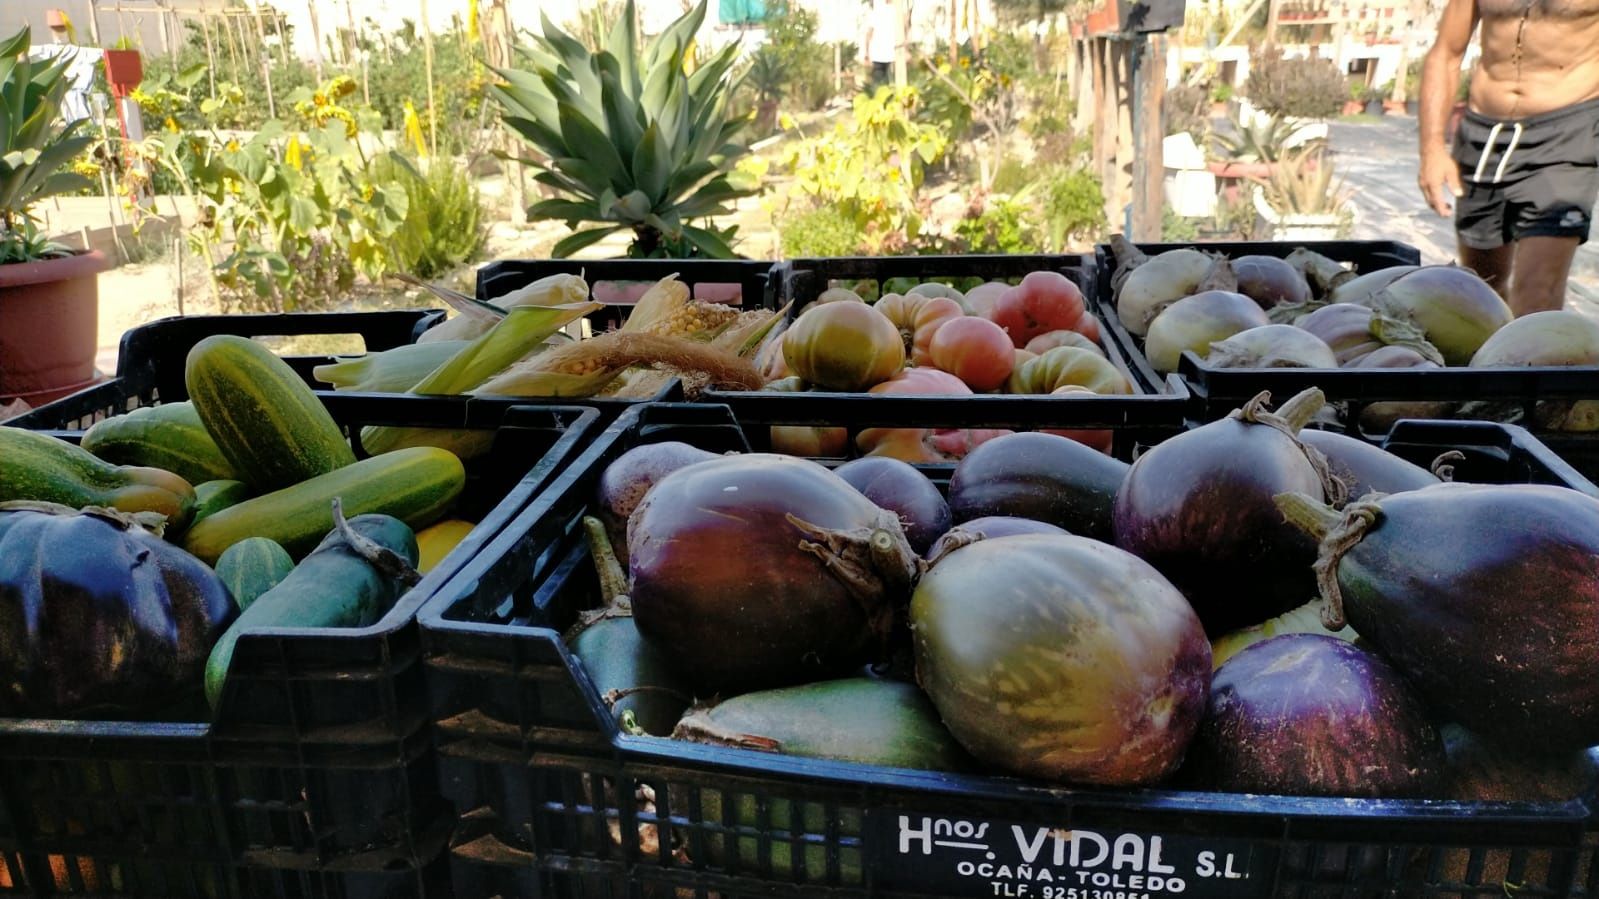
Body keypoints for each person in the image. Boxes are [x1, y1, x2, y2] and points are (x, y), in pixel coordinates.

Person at [1416, 0, 1599, 316]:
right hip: (1483, 136)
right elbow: (1445, 53)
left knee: (1537, 291)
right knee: (1480, 290)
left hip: (1566, 135)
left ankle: (1530, 362)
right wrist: (1431, 148)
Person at [861, 0, 897, 91]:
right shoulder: (894, 12)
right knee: (890, 87)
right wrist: (866, 53)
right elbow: (869, 34)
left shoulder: (876, 12)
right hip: (887, 56)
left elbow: (868, 34)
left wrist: (866, 53)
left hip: (886, 56)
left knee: (880, 88)